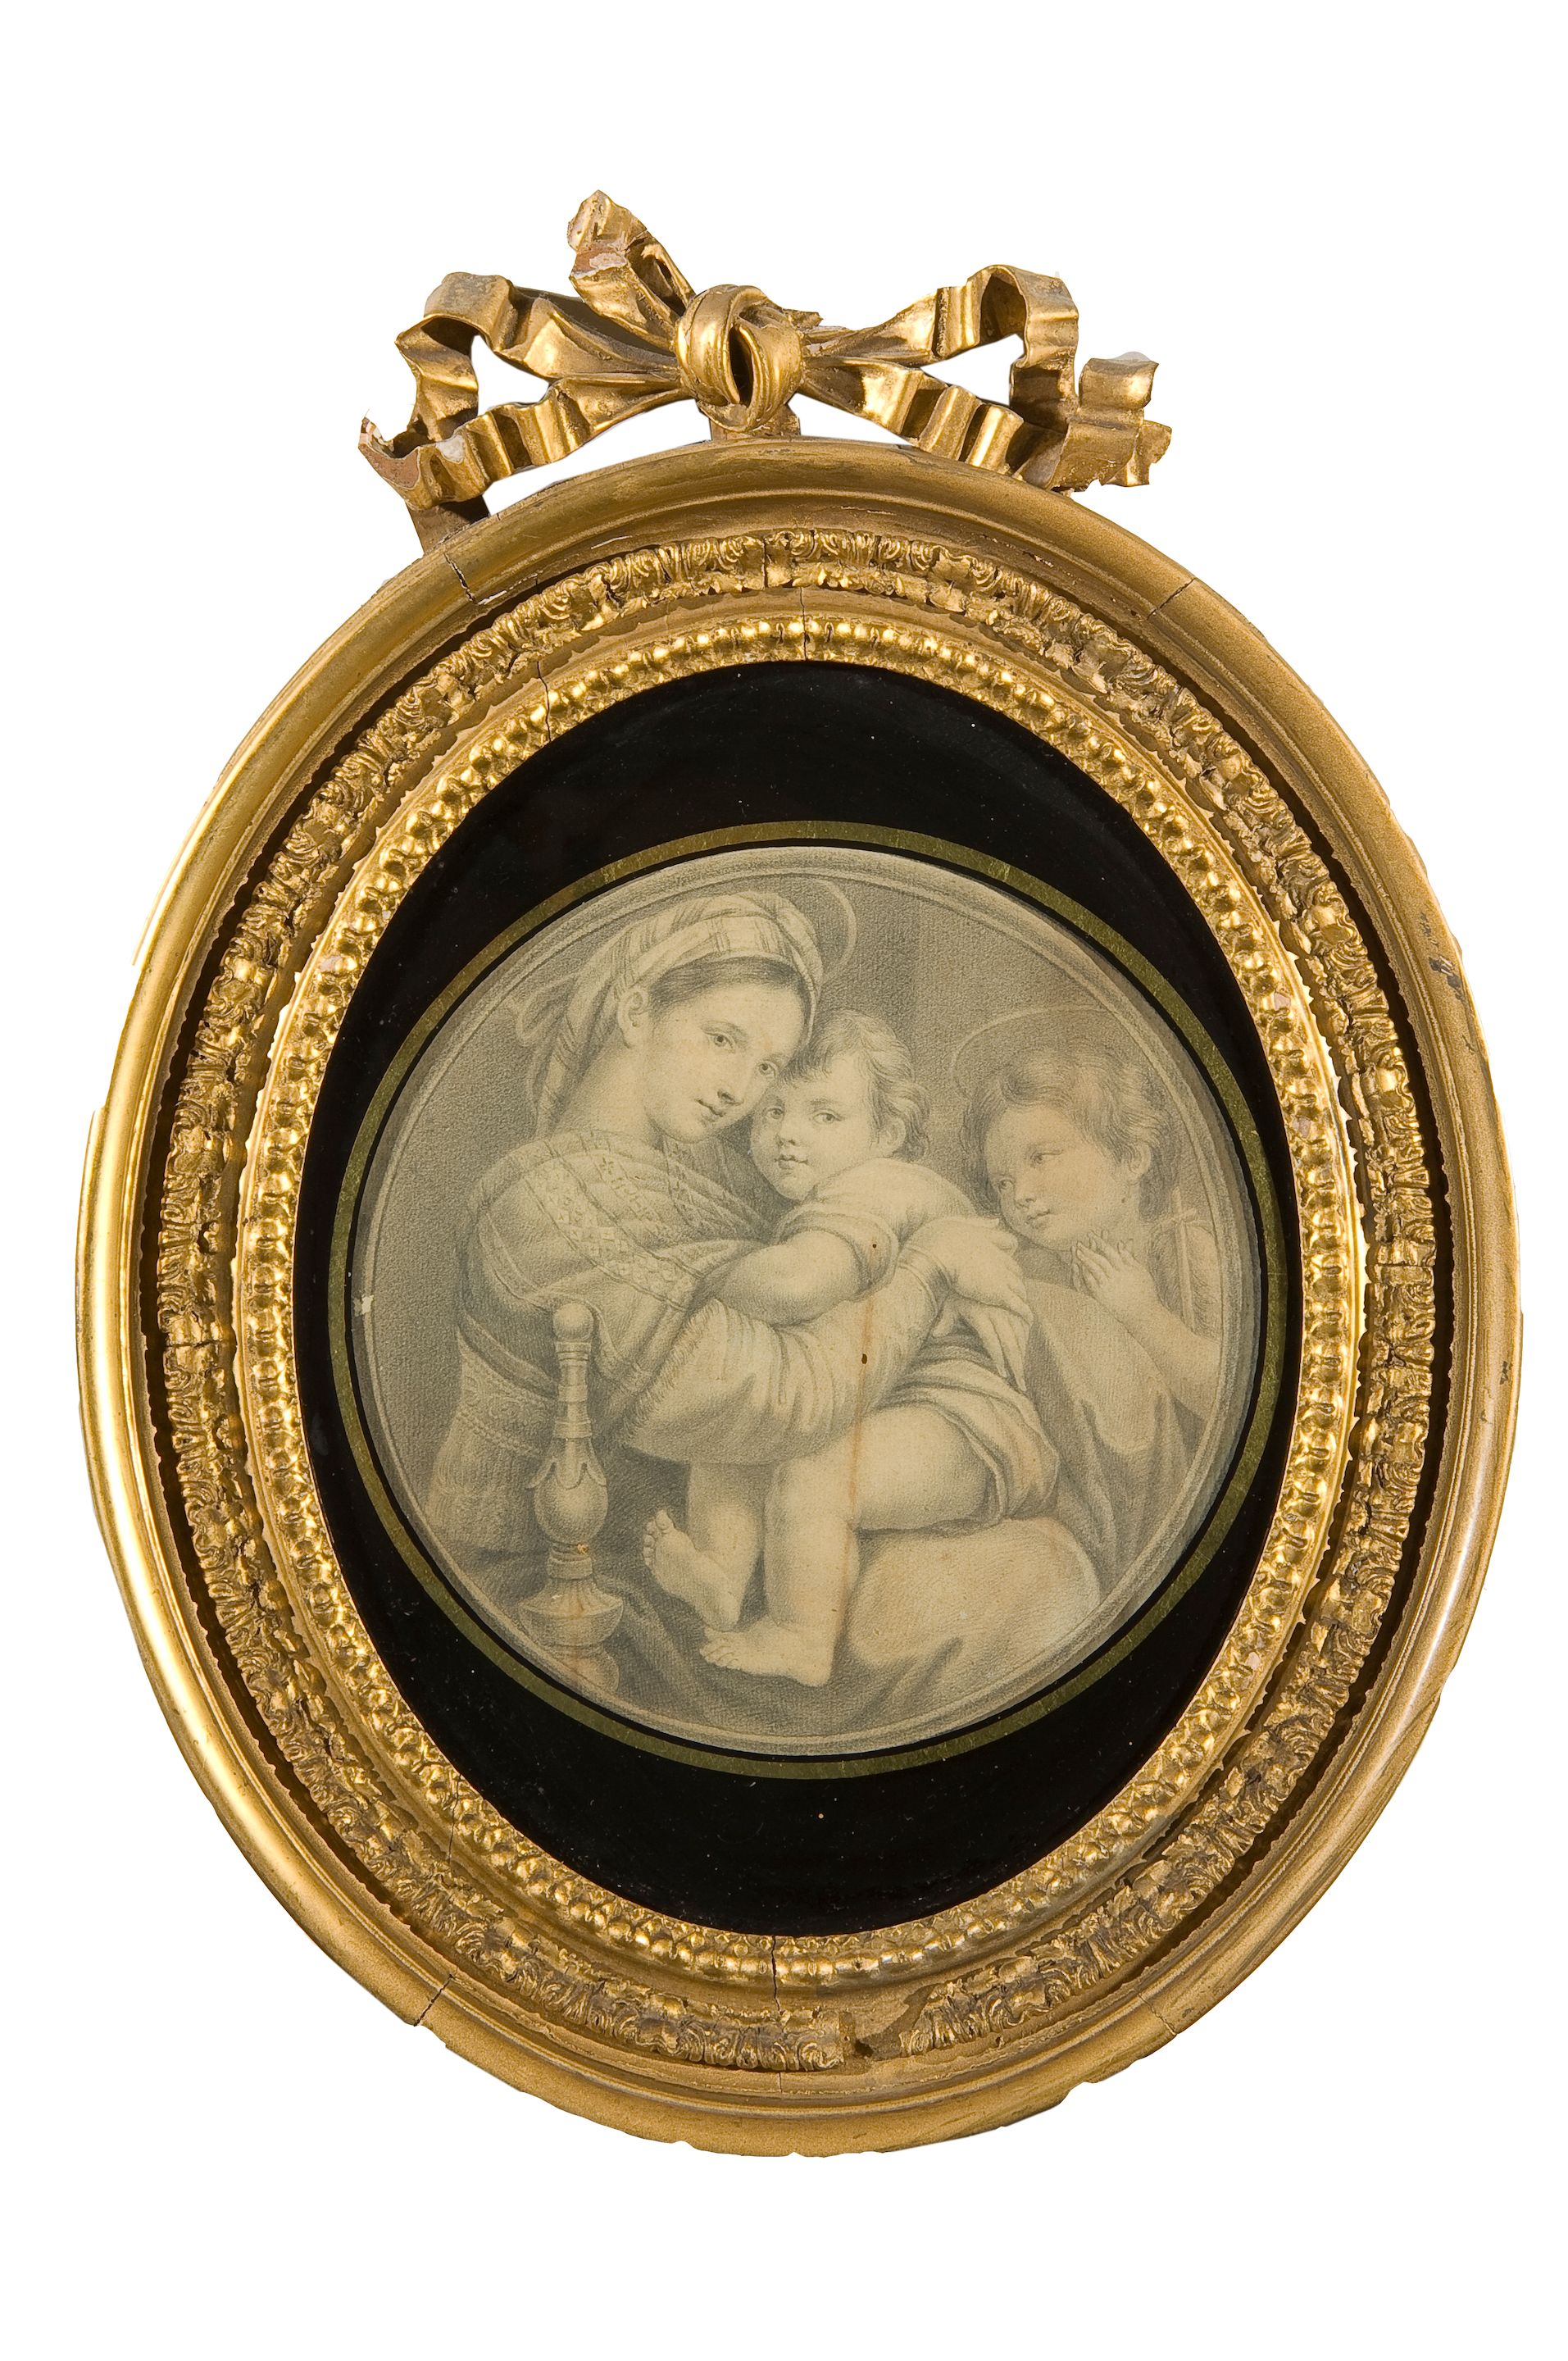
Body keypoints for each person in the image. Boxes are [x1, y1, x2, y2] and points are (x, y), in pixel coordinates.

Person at [425, 892, 1030, 1579]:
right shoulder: (547, 1206)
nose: (739, 1090)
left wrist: (924, 1215)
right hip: (551, 1581)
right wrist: (930, 1262)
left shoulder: (700, 1170)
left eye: (768, 1066)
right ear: (636, 1012)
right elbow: (784, 1400)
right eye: (722, 1040)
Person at [641, 1010, 1054, 1685]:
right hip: (879, 1404)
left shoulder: (879, 1187)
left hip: (965, 1426)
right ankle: (721, 1574)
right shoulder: (831, 1195)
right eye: (773, 1111)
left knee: (816, 1471)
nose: (788, 1134)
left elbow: (795, 1287)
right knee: (743, 1418)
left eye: (825, 1116)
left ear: (885, 1134)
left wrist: (680, 1272)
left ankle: (801, 1638)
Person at [961, 1028, 1221, 1585]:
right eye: (1002, 1182)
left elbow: (1222, 1392)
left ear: (1131, 1156)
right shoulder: (1037, 1273)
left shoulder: (1183, 1252)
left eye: (1041, 1158)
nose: (1020, 1195)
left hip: (1176, 1519)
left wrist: (1143, 1315)